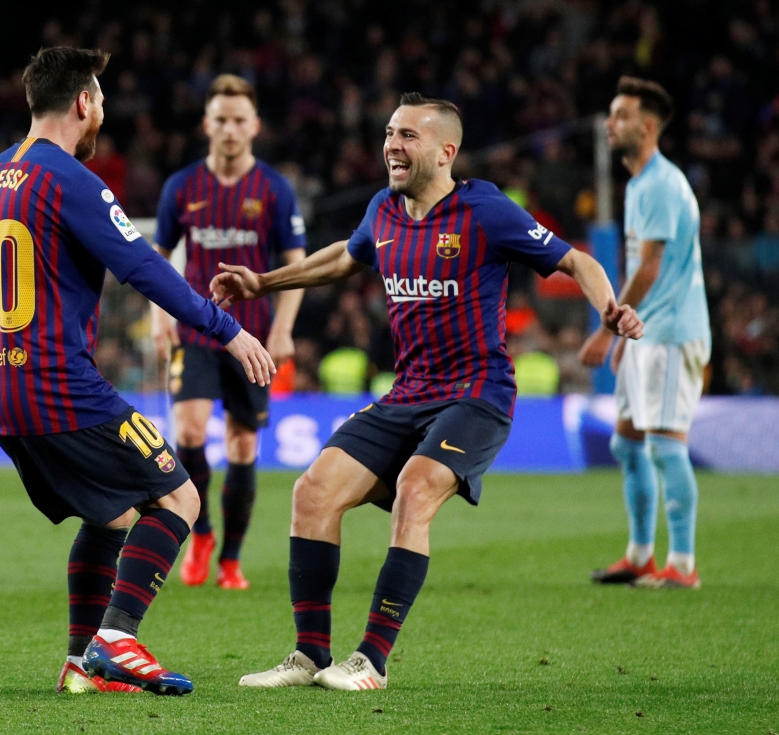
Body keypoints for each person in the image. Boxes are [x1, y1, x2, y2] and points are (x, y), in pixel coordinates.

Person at [210, 93, 644, 691]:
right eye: (390, 133)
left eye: (408, 135)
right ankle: (310, 655)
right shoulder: (383, 210)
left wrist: (609, 308)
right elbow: (345, 257)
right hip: (407, 392)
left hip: (476, 394)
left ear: (446, 152)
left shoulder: (486, 210)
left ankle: (371, 661)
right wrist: (263, 283)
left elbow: (578, 263)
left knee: (415, 489)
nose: (392, 144)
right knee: (312, 493)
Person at [0, 47, 274, 697]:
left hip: (0, 384)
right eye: (101, 98)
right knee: (180, 496)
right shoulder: (71, 179)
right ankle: (117, 637)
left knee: (108, 515)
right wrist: (229, 329)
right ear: (83, 102)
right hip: (57, 383)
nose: (103, 110)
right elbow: (146, 268)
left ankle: (80, 665)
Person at [150, 74, 307, 590]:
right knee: (189, 432)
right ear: (207, 124)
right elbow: (157, 255)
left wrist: (283, 328)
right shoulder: (181, 187)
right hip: (196, 330)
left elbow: (297, 263)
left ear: (255, 126)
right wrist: (159, 315)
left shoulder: (274, 189)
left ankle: (231, 561)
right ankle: (202, 534)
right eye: (221, 119)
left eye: (239, 120)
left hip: (253, 337)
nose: (230, 129)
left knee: (241, 447)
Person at [580, 77, 710, 590]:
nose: (611, 124)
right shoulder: (640, 184)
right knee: (628, 444)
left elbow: (650, 268)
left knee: (665, 446)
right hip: (646, 333)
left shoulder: (659, 184)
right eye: (612, 114)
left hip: (671, 332)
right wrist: (624, 339)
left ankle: (682, 566)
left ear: (649, 126)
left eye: (622, 115)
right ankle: (639, 556)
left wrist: (607, 330)